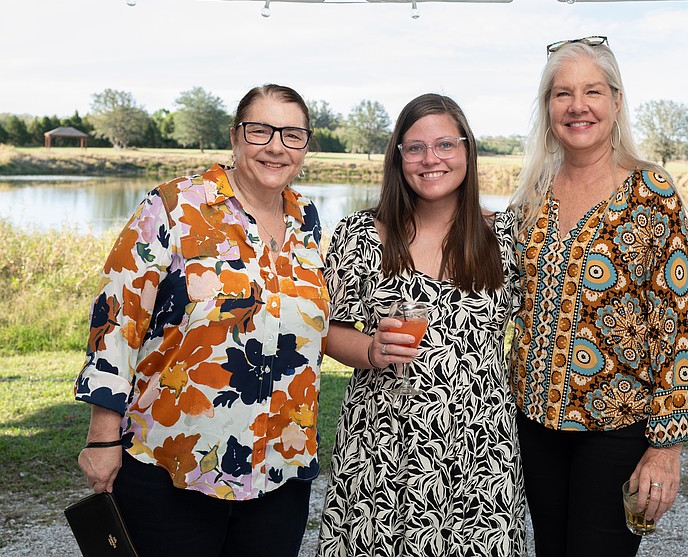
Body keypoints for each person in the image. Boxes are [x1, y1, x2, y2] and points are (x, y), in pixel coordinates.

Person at [74, 84, 328, 557]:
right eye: (261, 131)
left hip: (280, 469)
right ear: (235, 137)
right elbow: (117, 319)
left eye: (293, 134)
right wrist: (102, 436)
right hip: (174, 463)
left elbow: (303, 323)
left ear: (306, 145)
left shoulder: (306, 218)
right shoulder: (174, 205)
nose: (277, 146)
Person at [508, 36, 688, 556]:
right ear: (547, 108)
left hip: (614, 428)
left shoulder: (651, 193)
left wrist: (666, 447)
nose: (577, 106)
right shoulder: (532, 193)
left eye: (592, 91)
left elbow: (677, 327)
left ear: (616, 102)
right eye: (561, 94)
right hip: (532, 422)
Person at [317, 93, 526, 556]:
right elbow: (325, 329)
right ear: (398, 157)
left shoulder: (505, 236)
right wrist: (370, 349)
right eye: (414, 147)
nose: (431, 159)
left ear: (468, 150)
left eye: (445, 144)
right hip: (381, 454)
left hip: (479, 453)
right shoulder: (360, 235)